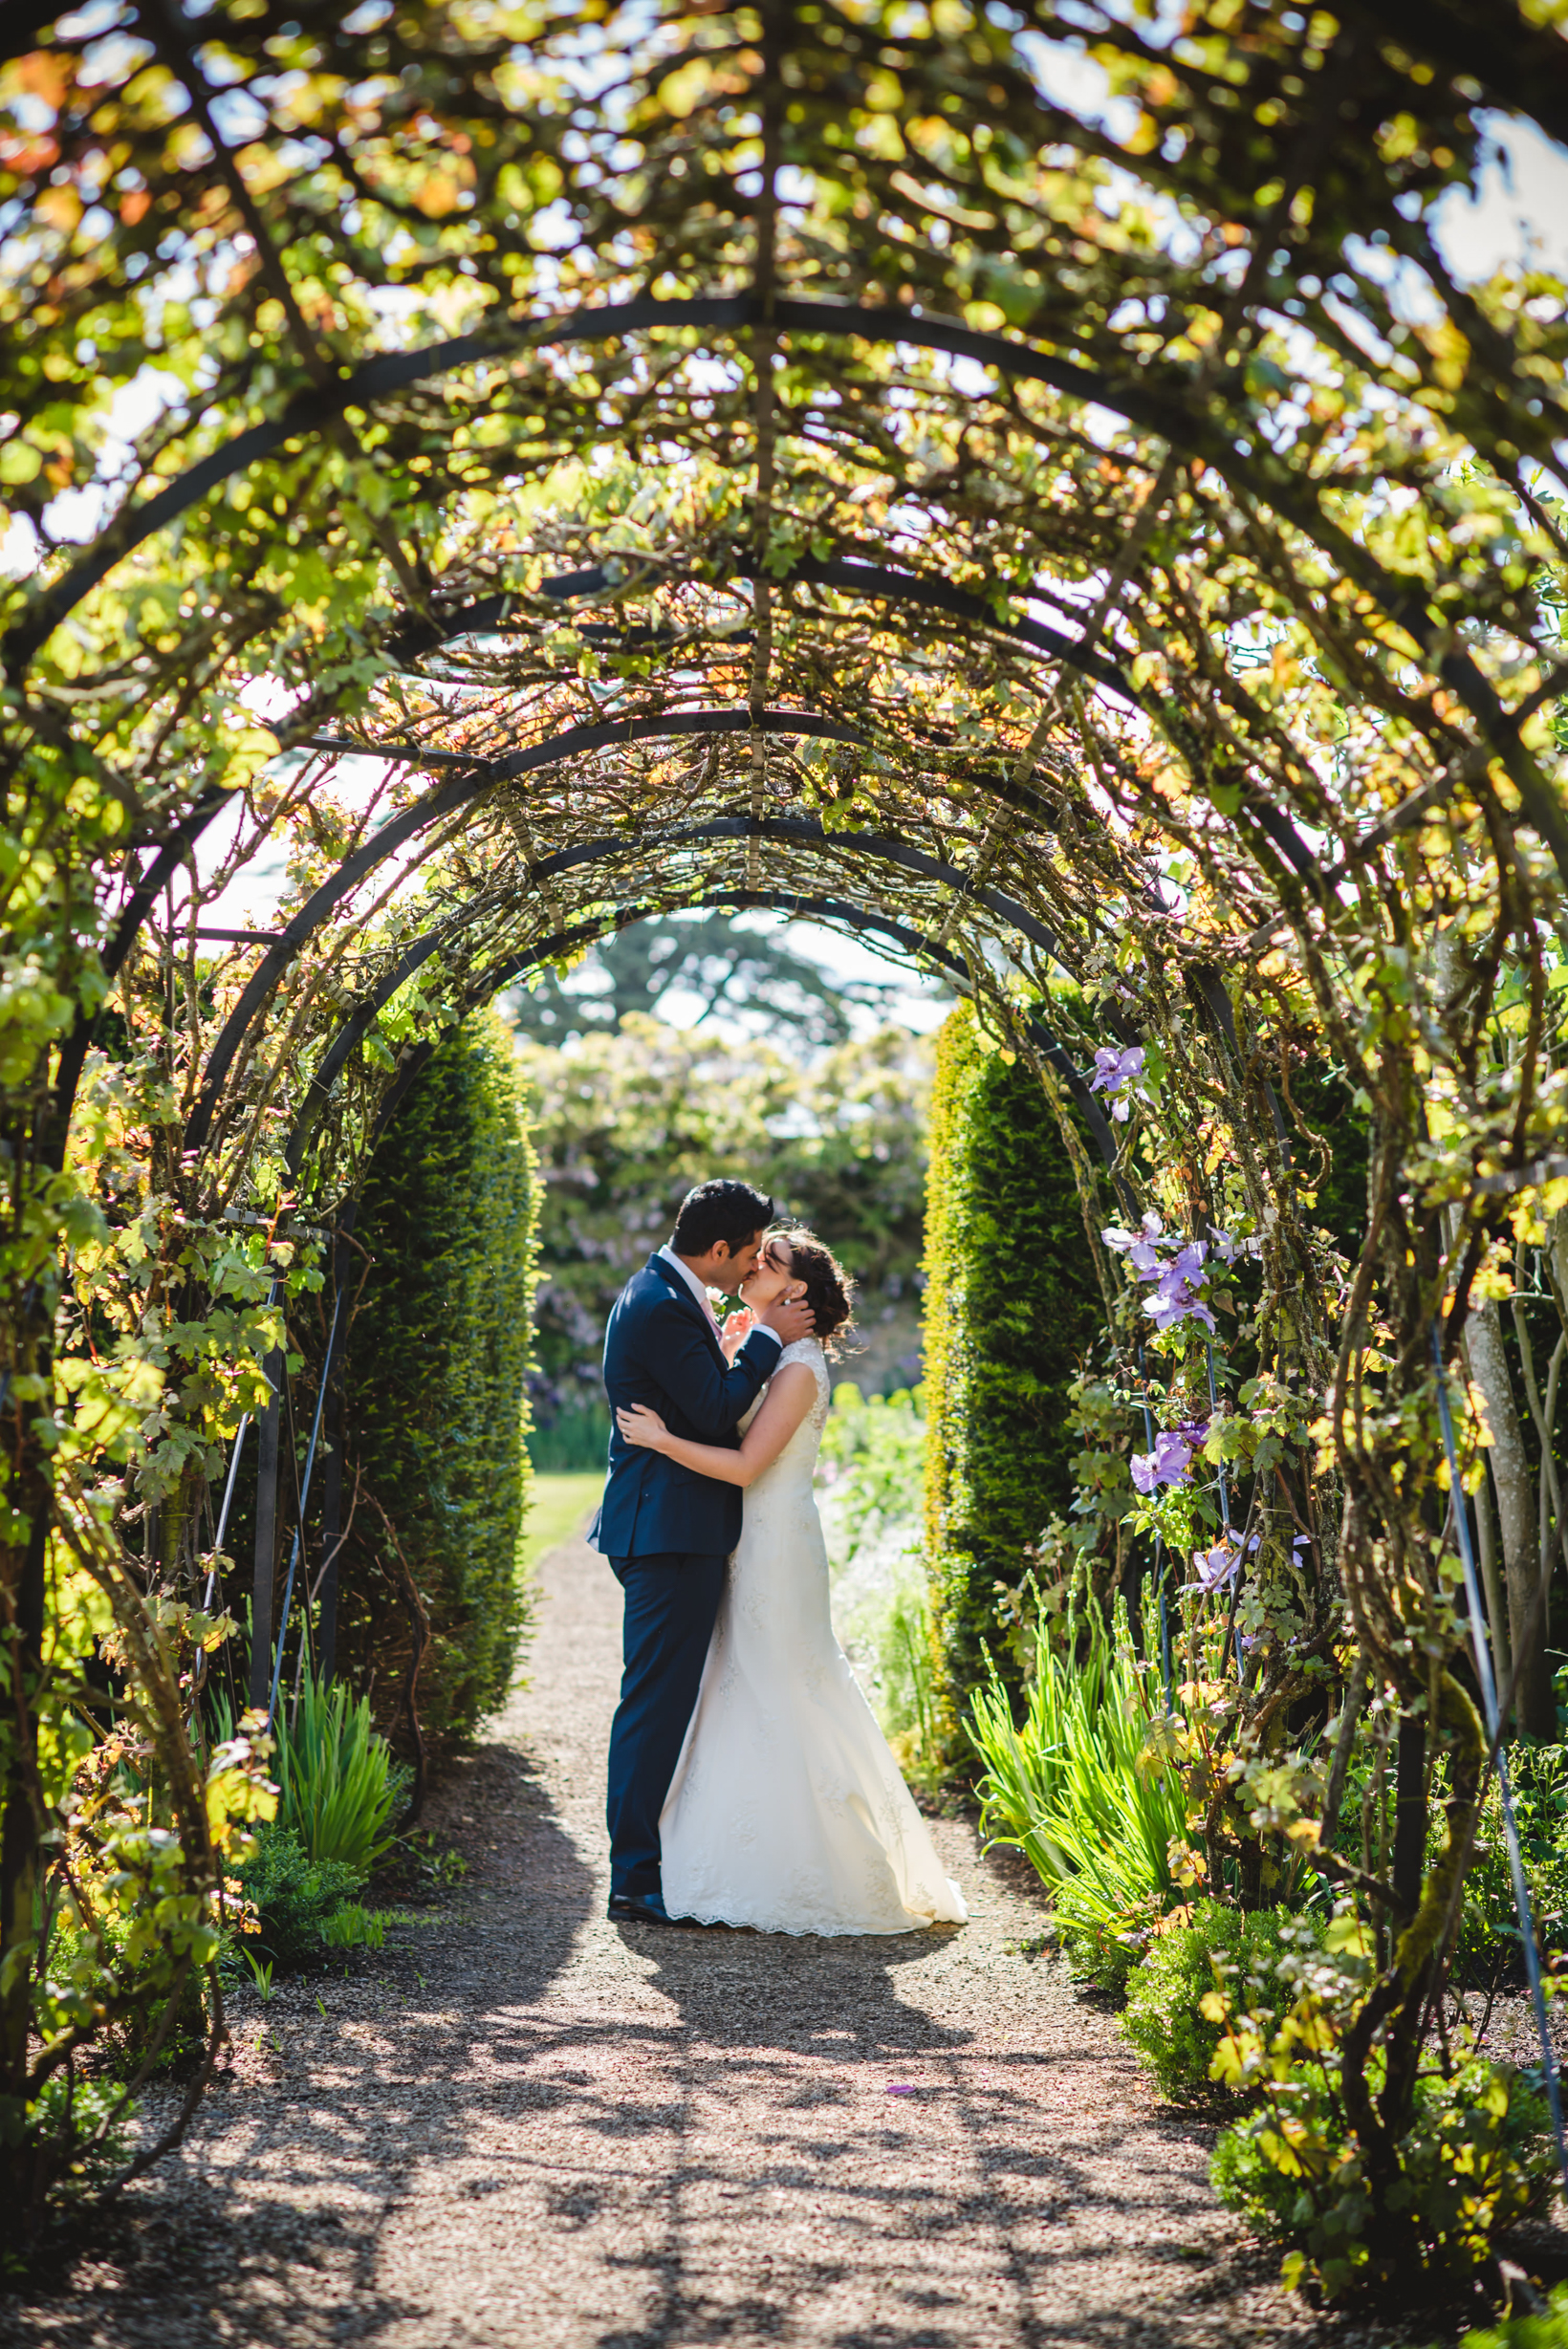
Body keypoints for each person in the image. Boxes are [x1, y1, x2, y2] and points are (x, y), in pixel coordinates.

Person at [616, 1227, 967, 1937]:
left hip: (775, 1546)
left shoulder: (800, 1366)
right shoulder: (762, 1343)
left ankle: (814, 1864)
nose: (752, 1265)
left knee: (781, 1688)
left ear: (796, 1291)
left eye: (768, 1262)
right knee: (737, 1689)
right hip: (743, 1541)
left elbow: (745, 1465)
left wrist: (660, 1441)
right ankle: (718, 1852)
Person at [593, 1179, 816, 1926]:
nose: (753, 1263)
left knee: (664, 1701)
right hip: (668, 1532)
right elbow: (718, 1409)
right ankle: (632, 1878)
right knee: (655, 1706)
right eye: (750, 1251)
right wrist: (766, 1337)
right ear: (718, 1250)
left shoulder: (664, 1292)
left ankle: (649, 1864)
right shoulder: (659, 1304)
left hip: (674, 1527)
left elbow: (705, 1399)